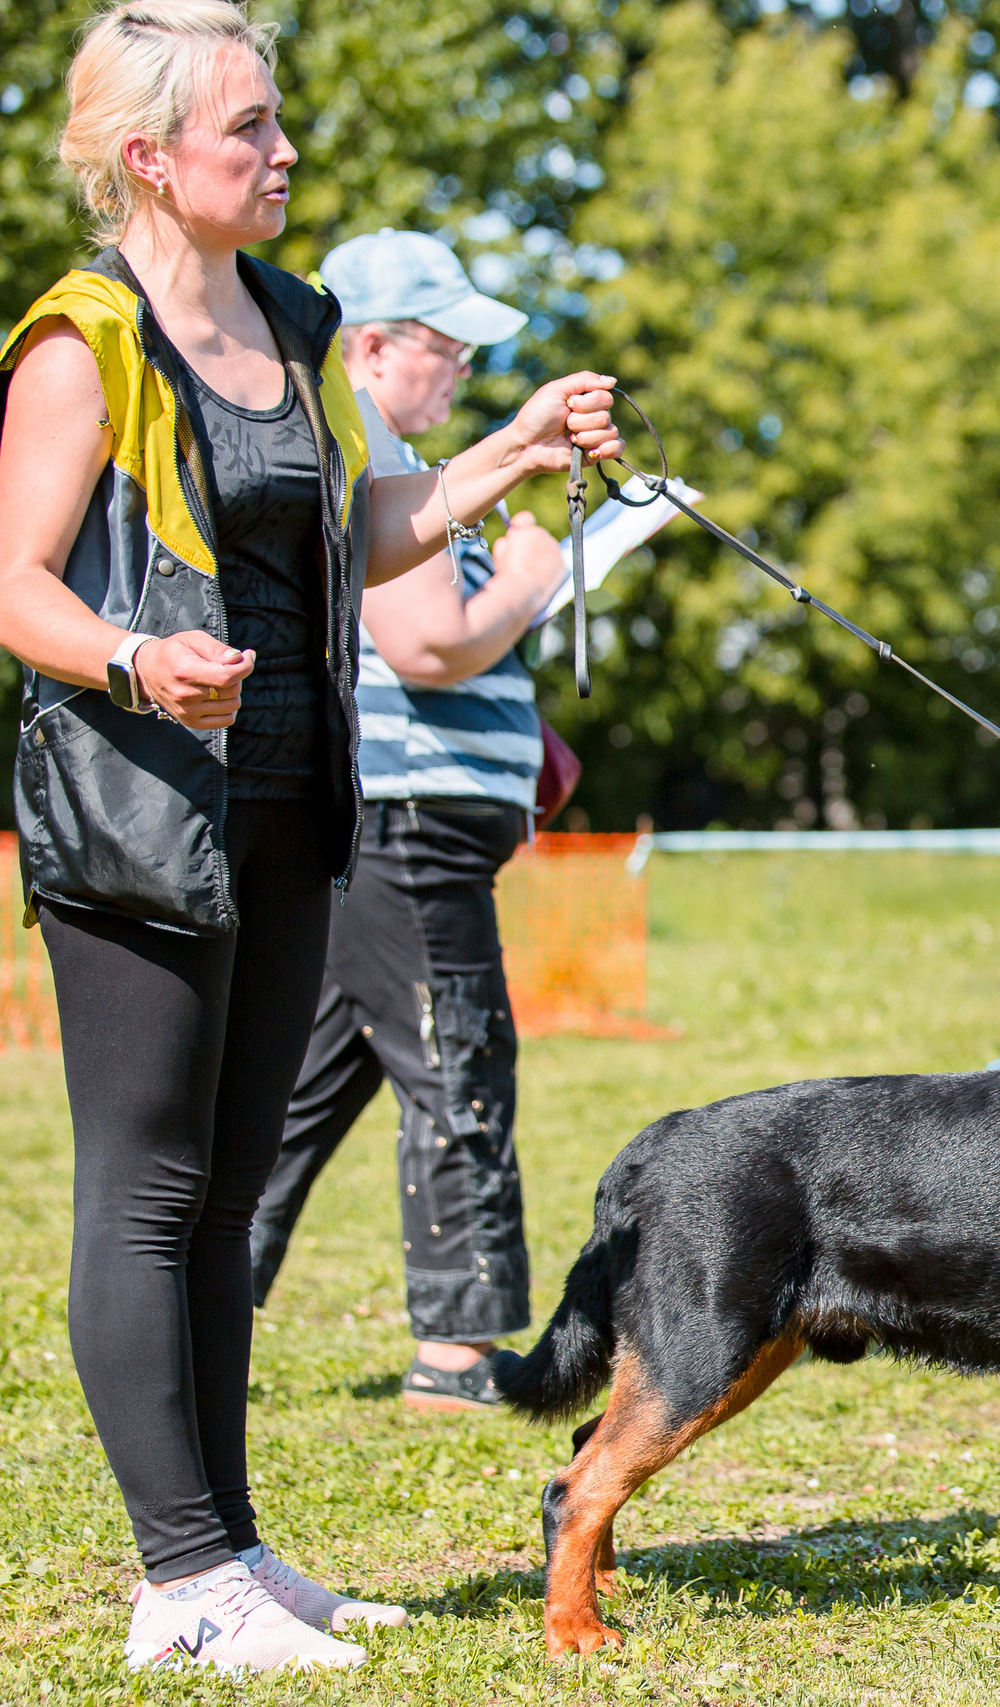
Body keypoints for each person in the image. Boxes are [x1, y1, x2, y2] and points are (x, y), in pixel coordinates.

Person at [0, 2, 618, 1674]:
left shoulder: (295, 320)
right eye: (249, 131)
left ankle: (231, 1550)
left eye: (279, 123)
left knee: (224, 1194)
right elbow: (14, 583)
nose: (283, 156)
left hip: (291, 809)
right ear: (149, 159)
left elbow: (374, 525)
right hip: (138, 814)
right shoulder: (85, 340)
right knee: (147, 1188)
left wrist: (513, 444)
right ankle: (176, 1577)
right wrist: (136, 658)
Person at [248, 229, 565, 1416]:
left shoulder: (395, 447)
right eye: (447, 350)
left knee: (304, 1086)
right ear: (372, 346)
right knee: (457, 1056)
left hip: (408, 819)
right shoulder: (371, 442)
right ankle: (459, 1349)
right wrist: (536, 571)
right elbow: (428, 645)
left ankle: (204, 1301)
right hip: (408, 818)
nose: (462, 376)